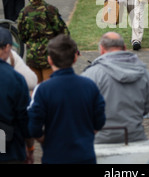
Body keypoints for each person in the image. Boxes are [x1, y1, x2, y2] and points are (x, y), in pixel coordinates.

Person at [27, 34, 106, 164]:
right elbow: (100, 120)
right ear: (75, 58)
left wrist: (45, 139)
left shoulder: (42, 90)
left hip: (54, 156)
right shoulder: (89, 86)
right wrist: (85, 135)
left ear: (50, 60)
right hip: (85, 156)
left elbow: (33, 126)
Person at [82, 32, 149, 143]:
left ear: (101, 49)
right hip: (135, 136)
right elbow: (148, 105)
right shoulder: (143, 71)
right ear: (124, 48)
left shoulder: (91, 74)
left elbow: (82, 110)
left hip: (100, 140)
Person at [17, 0, 69, 84]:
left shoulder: (24, 13)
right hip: (50, 57)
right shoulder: (50, 10)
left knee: (36, 93)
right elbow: (64, 33)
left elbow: (22, 37)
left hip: (32, 57)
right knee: (51, 92)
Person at [0, 27, 34, 164]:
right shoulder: (15, 78)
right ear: (8, 47)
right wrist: (30, 146)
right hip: (10, 148)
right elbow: (24, 118)